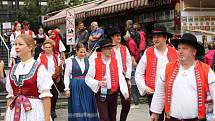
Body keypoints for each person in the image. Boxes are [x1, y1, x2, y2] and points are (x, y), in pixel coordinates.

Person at [150, 33, 215, 121]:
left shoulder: (206, 70)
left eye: (184, 48)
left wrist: (212, 116)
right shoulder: (168, 68)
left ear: (194, 52)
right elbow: (160, 91)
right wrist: (155, 112)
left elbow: (213, 96)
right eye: (179, 48)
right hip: (172, 118)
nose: (180, 51)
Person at [5, 34, 53, 121]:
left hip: (34, 112)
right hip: (14, 111)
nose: (16, 47)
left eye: (20, 44)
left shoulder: (39, 68)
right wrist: (6, 117)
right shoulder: (13, 69)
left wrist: (47, 119)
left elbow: (46, 96)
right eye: (15, 44)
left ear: (30, 47)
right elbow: (10, 97)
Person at [135, 25, 178, 121]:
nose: (155, 39)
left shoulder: (174, 52)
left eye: (158, 36)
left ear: (165, 38)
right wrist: (145, 87)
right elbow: (139, 73)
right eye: (154, 37)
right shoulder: (148, 52)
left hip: (171, 94)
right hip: (153, 93)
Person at [86, 38, 129, 121]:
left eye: (111, 48)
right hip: (100, 94)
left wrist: (124, 91)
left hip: (113, 93)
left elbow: (120, 77)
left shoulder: (115, 61)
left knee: (112, 117)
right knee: (104, 118)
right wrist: (97, 82)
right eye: (108, 49)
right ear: (102, 50)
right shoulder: (95, 62)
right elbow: (88, 78)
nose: (110, 50)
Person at [64, 42, 99, 121]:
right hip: (75, 86)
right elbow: (66, 75)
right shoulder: (70, 61)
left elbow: (91, 75)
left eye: (84, 52)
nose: (83, 54)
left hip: (87, 86)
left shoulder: (88, 61)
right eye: (81, 52)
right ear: (76, 51)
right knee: (77, 105)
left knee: (88, 105)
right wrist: (66, 88)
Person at [109, 27, 132, 121]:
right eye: (116, 36)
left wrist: (128, 77)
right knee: (112, 104)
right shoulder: (108, 48)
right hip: (112, 78)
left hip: (124, 77)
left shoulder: (124, 48)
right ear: (112, 37)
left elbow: (129, 63)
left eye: (119, 35)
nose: (119, 37)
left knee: (127, 103)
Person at [37, 39, 63, 120]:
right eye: (46, 47)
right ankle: (47, 112)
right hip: (45, 80)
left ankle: (53, 110)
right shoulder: (40, 57)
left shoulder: (56, 56)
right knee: (47, 96)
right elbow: (38, 68)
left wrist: (60, 68)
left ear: (52, 48)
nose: (48, 48)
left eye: (49, 47)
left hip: (54, 79)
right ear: (43, 48)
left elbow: (60, 67)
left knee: (54, 96)